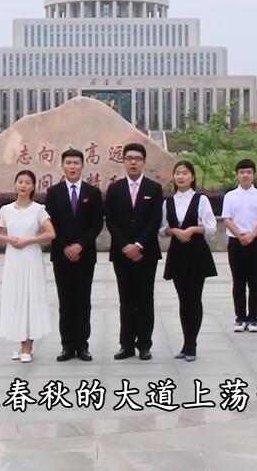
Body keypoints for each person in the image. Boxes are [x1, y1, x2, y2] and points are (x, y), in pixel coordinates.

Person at [43, 149, 104, 361]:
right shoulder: (53, 192)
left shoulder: (92, 192)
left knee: (83, 300)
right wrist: (65, 247)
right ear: (62, 166)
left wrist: (80, 245)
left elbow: (97, 223)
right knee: (65, 301)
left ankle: (83, 345)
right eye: (68, 162)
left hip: (85, 255)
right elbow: (51, 223)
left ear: (82, 165)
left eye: (76, 163)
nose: (72, 166)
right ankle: (67, 346)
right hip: (61, 256)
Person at [105, 142, 164, 360]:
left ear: (143, 162)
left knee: (145, 298)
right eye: (129, 158)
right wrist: (125, 246)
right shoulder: (115, 188)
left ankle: (144, 344)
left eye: (137, 159)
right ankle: (126, 344)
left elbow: (155, 221)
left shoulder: (154, 188)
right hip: (121, 253)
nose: (133, 162)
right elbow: (111, 220)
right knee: (126, 299)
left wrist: (138, 245)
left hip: (146, 253)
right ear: (123, 161)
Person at [0, 170, 56, 363]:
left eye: (27, 182)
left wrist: (29, 240)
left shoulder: (38, 210)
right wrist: (9, 239)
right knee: (16, 297)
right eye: (20, 182)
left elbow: (51, 233)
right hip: (14, 257)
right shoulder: (6, 210)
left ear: (33, 186)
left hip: (30, 256)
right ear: (15, 184)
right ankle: (21, 343)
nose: (23, 185)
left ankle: (28, 345)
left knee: (30, 298)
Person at [161, 160, 217, 361]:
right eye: (178, 173)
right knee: (183, 299)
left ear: (192, 176)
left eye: (185, 173)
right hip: (177, 253)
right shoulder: (167, 202)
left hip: (196, 253)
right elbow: (162, 229)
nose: (181, 176)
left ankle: (191, 343)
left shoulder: (201, 200)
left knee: (194, 298)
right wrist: (175, 231)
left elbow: (211, 227)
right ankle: (186, 343)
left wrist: (192, 229)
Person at [221, 158, 257, 333]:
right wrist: (239, 234)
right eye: (242, 172)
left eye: (249, 172)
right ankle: (240, 318)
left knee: (255, 282)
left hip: (255, 241)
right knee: (238, 282)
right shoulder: (230, 196)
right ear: (237, 175)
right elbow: (227, 218)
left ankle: (253, 318)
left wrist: (251, 235)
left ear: (254, 174)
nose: (245, 175)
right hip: (236, 242)